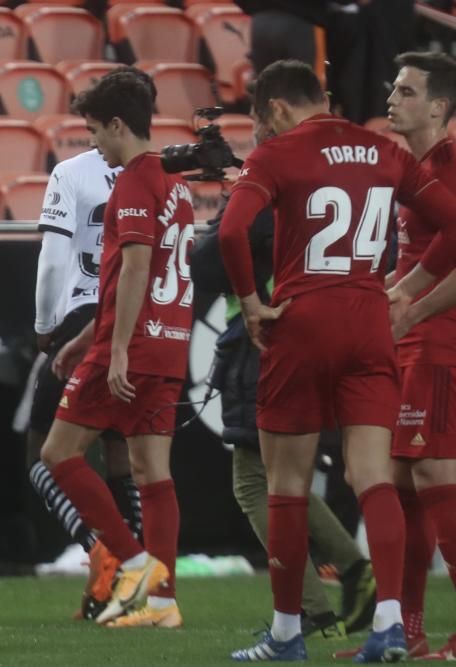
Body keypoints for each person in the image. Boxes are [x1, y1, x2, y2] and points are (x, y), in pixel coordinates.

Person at [219, 59, 456, 662]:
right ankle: (389, 625)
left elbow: (229, 231)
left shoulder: (276, 155)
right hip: (370, 319)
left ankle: (287, 635)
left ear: (275, 109)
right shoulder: (384, 151)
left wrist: (250, 304)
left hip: (302, 318)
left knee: (287, 485)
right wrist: (411, 289)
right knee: (377, 478)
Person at [189, 107, 376, 641]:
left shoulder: (270, 184)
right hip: (314, 332)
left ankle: (319, 598)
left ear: (271, 123)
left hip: (264, 339)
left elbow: (208, 266)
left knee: (258, 482)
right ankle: (334, 585)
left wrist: (224, 214)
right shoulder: (332, 179)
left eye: (254, 127)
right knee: (281, 479)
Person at [39, 71, 194, 629]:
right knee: (154, 475)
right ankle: (162, 604)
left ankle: (134, 565)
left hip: (131, 346)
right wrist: (83, 337)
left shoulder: (131, 182)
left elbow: (133, 267)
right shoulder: (175, 185)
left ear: (119, 125)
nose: (94, 144)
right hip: (171, 342)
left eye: (96, 132)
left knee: (58, 454)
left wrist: (116, 347)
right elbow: (143, 273)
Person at [338, 50, 456, 661]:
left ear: (439, 106)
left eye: (407, 91)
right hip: (411, 334)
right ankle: (407, 631)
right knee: (406, 483)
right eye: (392, 88)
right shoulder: (409, 166)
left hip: (439, 338)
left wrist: (410, 302)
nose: (391, 98)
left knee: (437, 475)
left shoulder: (450, 162)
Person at [28, 67, 155, 621]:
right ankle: (141, 576)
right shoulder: (161, 175)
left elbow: (55, 258)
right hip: (144, 324)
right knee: (128, 459)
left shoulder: (74, 172)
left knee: (43, 454)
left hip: (86, 316)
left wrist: (44, 325)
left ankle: (106, 551)